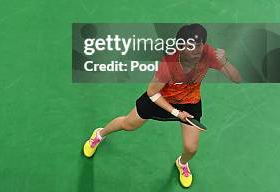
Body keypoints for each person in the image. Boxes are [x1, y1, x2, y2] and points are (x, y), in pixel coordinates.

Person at [82, 24, 241, 188]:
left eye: (199, 45)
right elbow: (152, 93)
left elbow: (237, 79)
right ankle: (99, 134)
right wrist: (176, 113)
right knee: (128, 124)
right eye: (190, 46)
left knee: (191, 148)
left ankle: (182, 164)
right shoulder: (168, 65)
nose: (196, 50)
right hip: (160, 99)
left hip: (190, 102)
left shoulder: (208, 54)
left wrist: (225, 62)